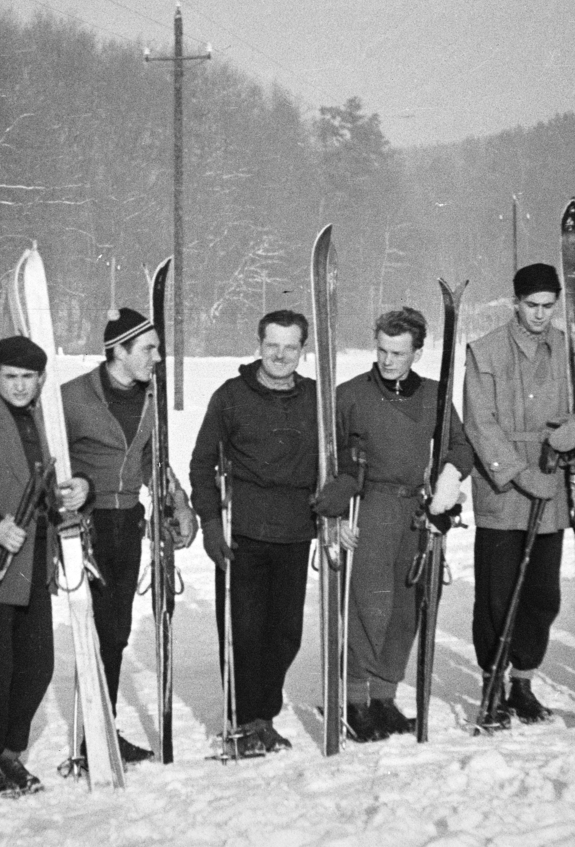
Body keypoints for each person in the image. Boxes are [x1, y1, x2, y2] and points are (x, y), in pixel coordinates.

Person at [314, 306, 475, 741]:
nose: (387, 361)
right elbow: (325, 459)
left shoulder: (434, 395)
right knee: (369, 605)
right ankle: (354, 699)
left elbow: (461, 446)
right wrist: (331, 519)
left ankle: (384, 696)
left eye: (398, 353)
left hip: (416, 512)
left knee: (408, 605)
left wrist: (447, 480)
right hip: (371, 507)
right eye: (382, 350)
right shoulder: (351, 395)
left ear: (417, 353)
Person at [462, 263, 575, 724]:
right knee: (497, 594)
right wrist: (522, 475)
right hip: (504, 491)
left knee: (542, 594)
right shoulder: (484, 352)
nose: (541, 315)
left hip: (555, 492)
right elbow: (479, 424)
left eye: (549, 306)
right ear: (516, 304)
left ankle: (523, 683)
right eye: (532, 306)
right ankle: (492, 683)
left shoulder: (571, 350)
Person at [61, 307, 196, 764]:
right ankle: (91, 734)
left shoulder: (149, 397)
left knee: (114, 630)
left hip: (125, 523)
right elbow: (48, 459)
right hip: (84, 525)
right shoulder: (73, 397)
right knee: (93, 627)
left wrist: (177, 502)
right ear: (118, 351)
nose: (157, 357)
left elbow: (152, 459)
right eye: (149, 349)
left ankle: (101, 728)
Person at [0, 336, 90, 796]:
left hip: (37, 557)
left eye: (27, 378)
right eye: (10, 377)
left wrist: (76, 493)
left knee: (36, 665)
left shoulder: (48, 423)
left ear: (40, 380)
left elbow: (61, 481)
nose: (18, 386)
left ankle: (12, 751)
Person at [189, 308, 319, 754]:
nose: (280, 355)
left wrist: (339, 488)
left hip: (294, 530)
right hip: (241, 531)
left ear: (303, 350)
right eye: (272, 346)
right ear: (259, 345)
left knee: (285, 634)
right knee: (243, 632)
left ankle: (263, 713)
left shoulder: (315, 399)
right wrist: (209, 522)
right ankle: (245, 721)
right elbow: (201, 462)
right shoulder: (231, 396)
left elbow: (342, 455)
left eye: (290, 347)